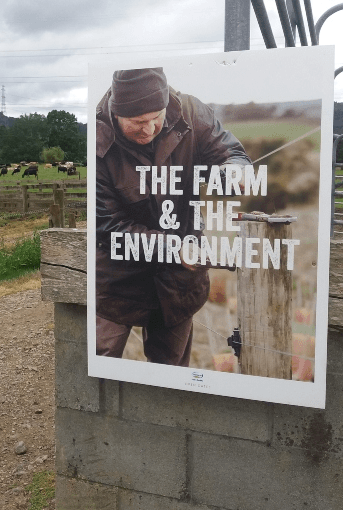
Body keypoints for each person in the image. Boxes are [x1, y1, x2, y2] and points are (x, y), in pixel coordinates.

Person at [95, 67, 251, 366]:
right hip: (118, 281)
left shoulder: (191, 113)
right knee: (101, 362)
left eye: (156, 117)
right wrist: (174, 248)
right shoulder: (98, 139)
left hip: (178, 283)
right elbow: (108, 226)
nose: (149, 129)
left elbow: (230, 152)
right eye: (137, 123)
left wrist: (236, 168)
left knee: (172, 371)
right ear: (116, 113)